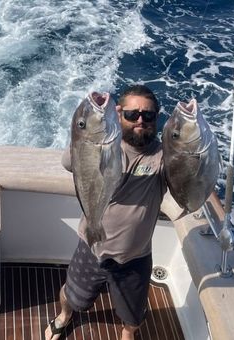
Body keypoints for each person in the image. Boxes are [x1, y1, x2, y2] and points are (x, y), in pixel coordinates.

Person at [45, 84, 167, 340]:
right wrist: (95, 118)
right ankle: (64, 316)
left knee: (133, 313)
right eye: (132, 114)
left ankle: (127, 332)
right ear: (119, 114)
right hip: (91, 247)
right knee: (72, 296)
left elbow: (187, 171)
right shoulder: (103, 143)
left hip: (135, 257)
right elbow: (70, 161)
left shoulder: (162, 156)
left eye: (148, 115)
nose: (140, 120)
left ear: (157, 118)